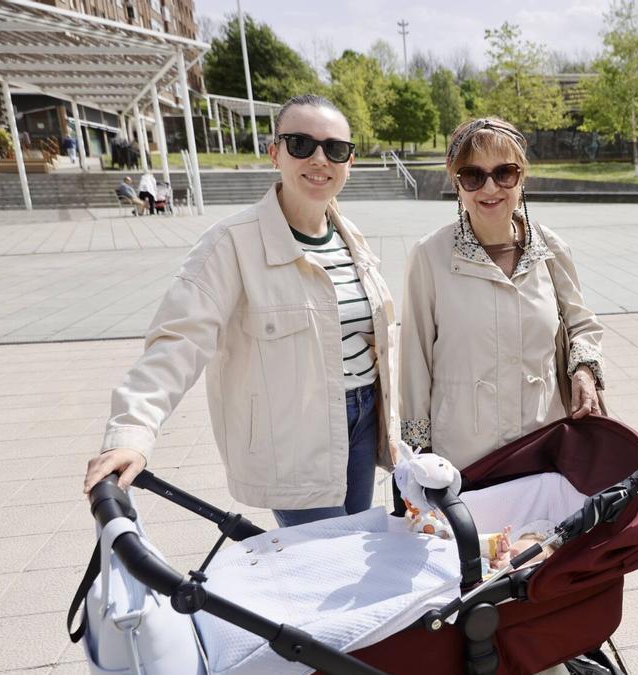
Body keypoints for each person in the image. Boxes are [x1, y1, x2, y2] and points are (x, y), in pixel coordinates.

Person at [83, 94, 401, 529]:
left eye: (335, 148)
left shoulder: (352, 240)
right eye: (301, 144)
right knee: (323, 560)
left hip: (362, 421)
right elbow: (178, 341)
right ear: (275, 153)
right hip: (293, 435)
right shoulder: (231, 244)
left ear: (349, 161)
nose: (319, 159)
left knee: (352, 544)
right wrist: (131, 434)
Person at [399, 117, 604, 470]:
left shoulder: (551, 248)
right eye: (473, 176)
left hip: (544, 448)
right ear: (456, 183)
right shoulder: (429, 255)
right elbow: (413, 362)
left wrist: (584, 370)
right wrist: (416, 460)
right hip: (464, 460)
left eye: (504, 173)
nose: (490, 188)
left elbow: (581, 324)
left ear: (521, 177)